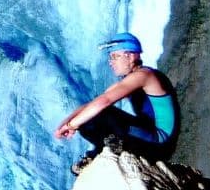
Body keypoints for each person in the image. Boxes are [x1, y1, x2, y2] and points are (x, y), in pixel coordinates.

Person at [54, 32, 179, 174]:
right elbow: (94, 103)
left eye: (115, 56)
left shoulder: (144, 76)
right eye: (110, 57)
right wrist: (66, 123)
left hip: (160, 143)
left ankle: (103, 152)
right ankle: (105, 150)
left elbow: (104, 102)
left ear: (131, 56)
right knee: (88, 117)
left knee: (97, 115)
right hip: (149, 135)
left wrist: (72, 124)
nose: (110, 62)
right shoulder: (132, 79)